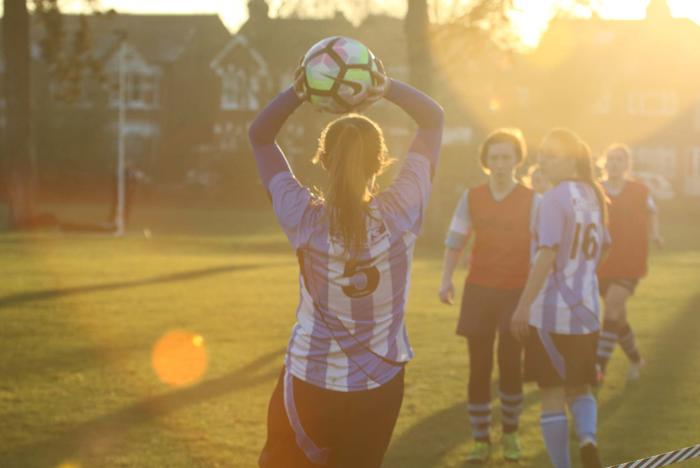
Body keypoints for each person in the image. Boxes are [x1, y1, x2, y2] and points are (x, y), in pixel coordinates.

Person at [248, 62, 444, 468]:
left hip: (309, 380)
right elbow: (433, 119)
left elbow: (260, 137)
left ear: (323, 160)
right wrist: (384, 85)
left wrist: (300, 91)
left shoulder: (302, 216)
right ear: (380, 162)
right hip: (380, 384)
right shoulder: (403, 210)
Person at [438, 128, 538, 463]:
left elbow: (542, 252)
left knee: (511, 366)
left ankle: (511, 436)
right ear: (486, 161)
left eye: (506, 157)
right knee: (478, 368)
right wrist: (446, 279)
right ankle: (481, 440)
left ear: (517, 160)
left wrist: (535, 296)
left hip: (516, 293)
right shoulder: (471, 197)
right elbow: (455, 240)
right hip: (479, 290)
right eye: (494, 157)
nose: (500, 164)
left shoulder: (532, 199)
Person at [511, 128, 608, 468]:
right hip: (589, 309)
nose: (543, 161)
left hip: (552, 315)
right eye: (542, 154)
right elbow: (604, 246)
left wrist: (523, 305)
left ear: (570, 159)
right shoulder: (593, 194)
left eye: (551, 155)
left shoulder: (554, 198)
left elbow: (547, 253)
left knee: (552, 395)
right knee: (579, 387)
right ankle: (588, 440)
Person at [596, 144, 663, 382]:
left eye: (619, 160)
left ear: (627, 165)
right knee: (618, 317)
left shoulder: (640, 190)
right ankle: (635, 359)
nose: (614, 164)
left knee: (612, 307)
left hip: (630, 261)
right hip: (602, 263)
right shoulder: (596, 190)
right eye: (610, 159)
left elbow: (652, 212)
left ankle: (598, 367)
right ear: (604, 163)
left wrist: (655, 234)